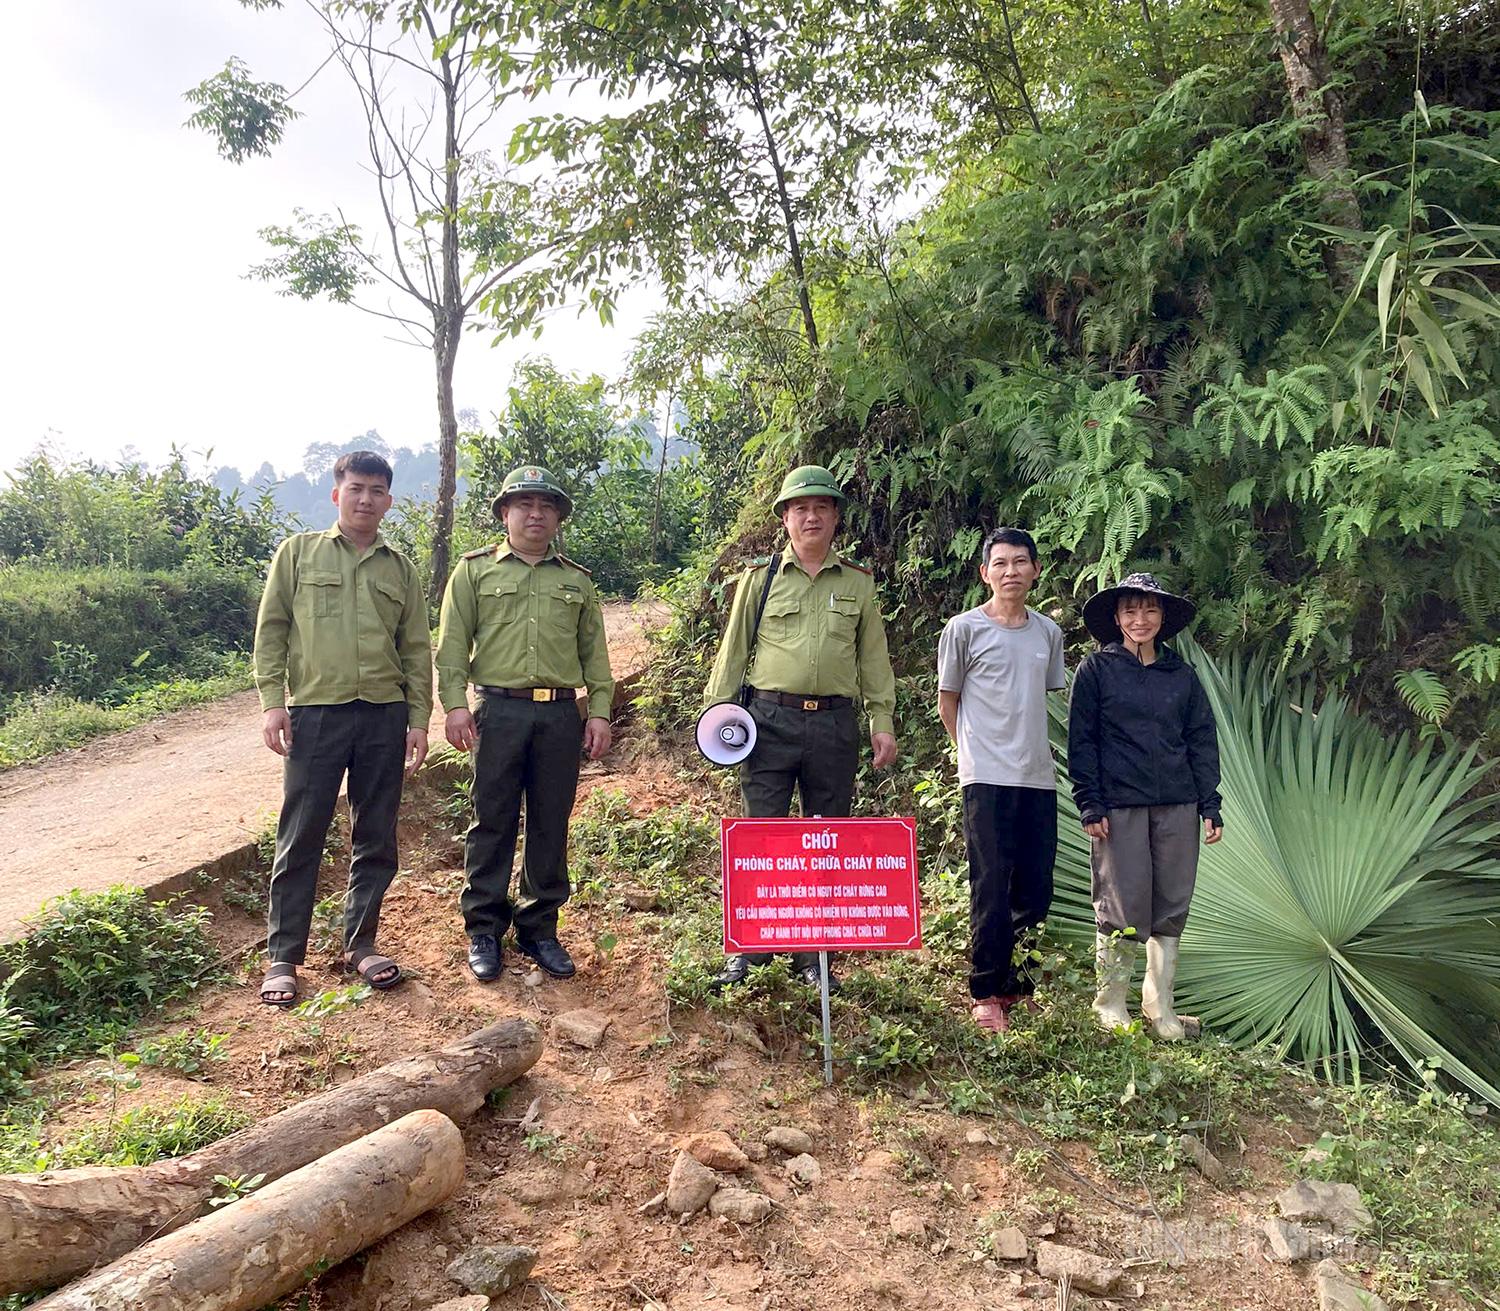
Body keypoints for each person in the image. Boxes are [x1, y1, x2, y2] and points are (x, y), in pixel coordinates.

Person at [704, 465, 898, 991]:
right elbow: (733, 652)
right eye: (800, 508)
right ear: (785, 519)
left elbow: (873, 659)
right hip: (768, 721)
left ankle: (816, 955)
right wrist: (718, 715)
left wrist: (882, 720)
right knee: (759, 837)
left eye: (822, 508)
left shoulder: (858, 584)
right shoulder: (759, 580)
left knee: (826, 840)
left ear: (836, 518)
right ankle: (752, 950)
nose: (811, 516)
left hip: (835, 725)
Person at [253, 450, 432, 1007]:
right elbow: (273, 628)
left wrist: (417, 718)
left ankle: (361, 944)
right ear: (337, 493)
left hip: (383, 714)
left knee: (375, 836)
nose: (365, 499)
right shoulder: (299, 554)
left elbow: (416, 648)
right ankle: (284, 956)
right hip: (317, 713)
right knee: (301, 833)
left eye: (377, 491)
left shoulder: (399, 569)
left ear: (389, 501)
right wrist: (271, 702)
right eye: (356, 488)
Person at [436, 465, 613, 983]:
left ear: (557, 517)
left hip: (559, 714)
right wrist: (454, 705)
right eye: (524, 505)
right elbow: (450, 648)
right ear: (505, 513)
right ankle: (484, 929)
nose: (535, 514)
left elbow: (595, 657)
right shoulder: (473, 572)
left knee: (550, 820)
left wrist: (598, 712)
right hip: (498, 710)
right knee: (491, 818)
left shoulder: (576, 581)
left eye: (546, 506)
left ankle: (539, 928)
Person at [1066, 572, 1223, 1040]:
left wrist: (1209, 803)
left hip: (1178, 802)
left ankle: (1161, 1008)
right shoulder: (1096, 671)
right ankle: (1110, 1002)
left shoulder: (1182, 675)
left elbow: (1200, 740)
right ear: (1116, 618)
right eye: (1130, 610)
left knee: (1172, 900)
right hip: (1119, 806)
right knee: (1121, 900)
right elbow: (1083, 741)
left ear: (1163, 617)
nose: (1140, 619)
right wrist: (1090, 803)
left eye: (1150, 610)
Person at [937, 527, 1066, 1034]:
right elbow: (949, 701)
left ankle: (1021, 986)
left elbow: (1046, 697)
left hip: (1037, 777)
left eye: (1020, 562)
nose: (1010, 571)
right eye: (1000, 563)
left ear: (1036, 570)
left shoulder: (1048, 634)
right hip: (985, 776)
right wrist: (969, 750)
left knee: (1035, 886)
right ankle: (987, 989)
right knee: (990, 883)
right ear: (984, 573)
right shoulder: (964, 629)